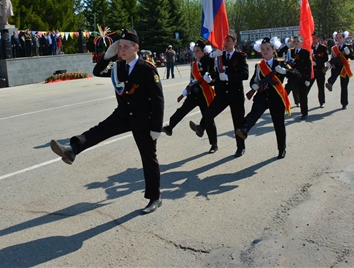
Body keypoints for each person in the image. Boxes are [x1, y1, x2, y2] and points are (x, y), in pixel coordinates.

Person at [49, 29, 165, 214]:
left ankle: (155, 197)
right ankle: (72, 150)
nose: (122, 50)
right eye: (120, 47)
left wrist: (156, 127)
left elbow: (158, 99)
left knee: (148, 158)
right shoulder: (118, 67)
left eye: (126, 47)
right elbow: (97, 71)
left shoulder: (147, 68)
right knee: (99, 130)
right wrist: (106, 56)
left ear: (136, 48)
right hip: (123, 114)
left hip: (144, 118)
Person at [235, 37, 301, 159]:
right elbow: (254, 80)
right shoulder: (259, 66)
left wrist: (285, 72)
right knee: (253, 115)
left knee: (278, 124)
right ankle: (244, 130)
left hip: (276, 97)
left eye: (268, 49)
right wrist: (253, 85)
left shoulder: (281, 62)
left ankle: (282, 149)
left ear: (273, 49)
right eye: (263, 49)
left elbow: (297, 75)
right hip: (262, 95)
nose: (265, 51)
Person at [191, 32, 249, 157]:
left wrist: (228, 77)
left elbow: (245, 74)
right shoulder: (219, 55)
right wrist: (213, 55)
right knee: (209, 113)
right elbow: (204, 60)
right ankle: (201, 128)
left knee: (238, 122)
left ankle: (240, 147)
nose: (226, 43)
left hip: (235, 94)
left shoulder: (240, 56)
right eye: (224, 40)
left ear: (235, 42)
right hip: (222, 93)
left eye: (228, 40)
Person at [162, 40, 215, 139]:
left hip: (205, 94)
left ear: (204, 52)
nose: (195, 53)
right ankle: (170, 127)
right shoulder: (193, 64)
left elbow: (214, 77)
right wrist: (185, 91)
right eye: (194, 51)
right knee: (182, 110)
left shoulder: (209, 62)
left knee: (208, 118)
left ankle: (213, 143)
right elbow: (192, 80)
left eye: (198, 51)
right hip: (195, 93)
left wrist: (210, 80)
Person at [325, 30, 354, 109]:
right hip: (336, 65)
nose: (338, 39)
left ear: (344, 38)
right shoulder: (333, 48)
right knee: (334, 73)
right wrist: (330, 63)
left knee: (344, 86)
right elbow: (333, 57)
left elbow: (353, 57)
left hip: (344, 66)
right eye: (337, 37)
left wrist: (348, 53)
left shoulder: (348, 46)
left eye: (340, 37)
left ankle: (344, 103)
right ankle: (330, 84)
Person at [289, 35, 312, 120]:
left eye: (297, 41)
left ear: (301, 42)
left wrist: (308, 79)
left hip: (302, 77)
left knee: (303, 95)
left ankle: (304, 113)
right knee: (288, 92)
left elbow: (308, 67)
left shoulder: (305, 53)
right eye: (294, 42)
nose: (296, 43)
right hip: (292, 77)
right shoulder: (290, 52)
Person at [309, 33, 329, 108]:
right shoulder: (309, 47)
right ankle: (302, 101)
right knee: (307, 86)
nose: (313, 40)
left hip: (320, 70)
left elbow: (325, 58)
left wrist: (316, 62)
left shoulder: (323, 48)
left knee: (320, 87)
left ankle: (322, 102)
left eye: (314, 38)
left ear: (318, 39)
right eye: (312, 39)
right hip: (312, 71)